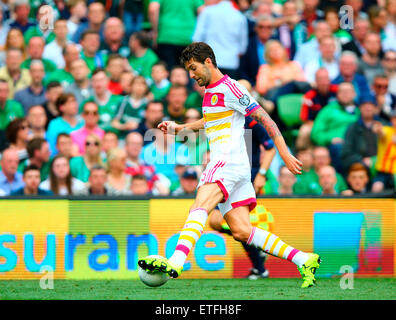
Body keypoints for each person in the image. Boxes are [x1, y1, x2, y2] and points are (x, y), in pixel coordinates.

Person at [138, 42, 321, 289]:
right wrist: (181, 128)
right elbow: (211, 119)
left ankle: (176, 261)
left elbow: (264, 117)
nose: (191, 75)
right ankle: (304, 259)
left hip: (226, 162)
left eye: (193, 68)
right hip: (237, 167)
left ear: (208, 62)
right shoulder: (213, 91)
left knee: (200, 205)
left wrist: (285, 154)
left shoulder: (230, 88)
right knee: (242, 231)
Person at [192, 0, 248, 79]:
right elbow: (242, 48)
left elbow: (196, 38)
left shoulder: (207, 12)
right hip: (231, 62)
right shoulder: (239, 16)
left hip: (209, 62)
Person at [148, 0, 203, 70]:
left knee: (167, 72)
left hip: (166, 36)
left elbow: (153, 8)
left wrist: (155, 32)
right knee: (185, 73)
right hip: (188, 37)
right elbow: (202, 11)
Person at [297, 68, 338, 149]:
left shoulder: (338, 91)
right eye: (320, 79)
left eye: (326, 79)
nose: (323, 82)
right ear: (315, 81)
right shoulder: (309, 97)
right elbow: (305, 119)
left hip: (335, 122)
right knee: (304, 131)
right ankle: (303, 155)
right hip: (315, 124)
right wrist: (320, 125)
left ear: (330, 80)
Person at [341, 97, 382, 173]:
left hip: (382, 165)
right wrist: (361, 160)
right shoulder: (352, 128)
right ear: (359, 108)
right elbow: (346, 153)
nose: (368, 107)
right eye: (364, 105)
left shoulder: (384, 126)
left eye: (371, 105)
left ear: (375, 109)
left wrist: (374, 160)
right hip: (360, 167)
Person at [372, 110, 396, 192]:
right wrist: (378, 129)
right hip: (383, 171)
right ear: (391, 120)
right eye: (394, 118)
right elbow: (382, 133)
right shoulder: (388, 130)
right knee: (377, 187)